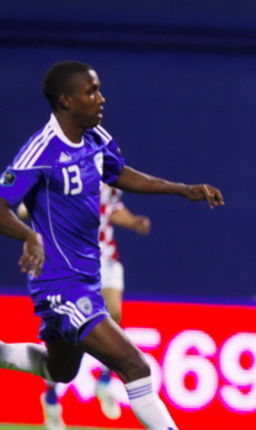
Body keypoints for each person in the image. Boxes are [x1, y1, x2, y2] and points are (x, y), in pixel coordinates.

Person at [0, 60, 225, 430]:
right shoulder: (41, 151)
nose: (101, 98)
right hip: (60, 284)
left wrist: (181, 189)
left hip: (88, 277)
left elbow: (119, 173)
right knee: (135, 366)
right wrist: (29, 236)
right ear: (66, 100)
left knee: (60, 370)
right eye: (91, 91)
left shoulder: (95, 137)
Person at [21, 183, 152, 428]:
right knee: (64, 332)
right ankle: (51, 396)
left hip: (105, 257)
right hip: (69, 260)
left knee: (114, 314)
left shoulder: (110, 174)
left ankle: (104, 380)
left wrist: (133, 222)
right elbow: (25, 206)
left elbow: (112, 208)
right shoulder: (62, 172)